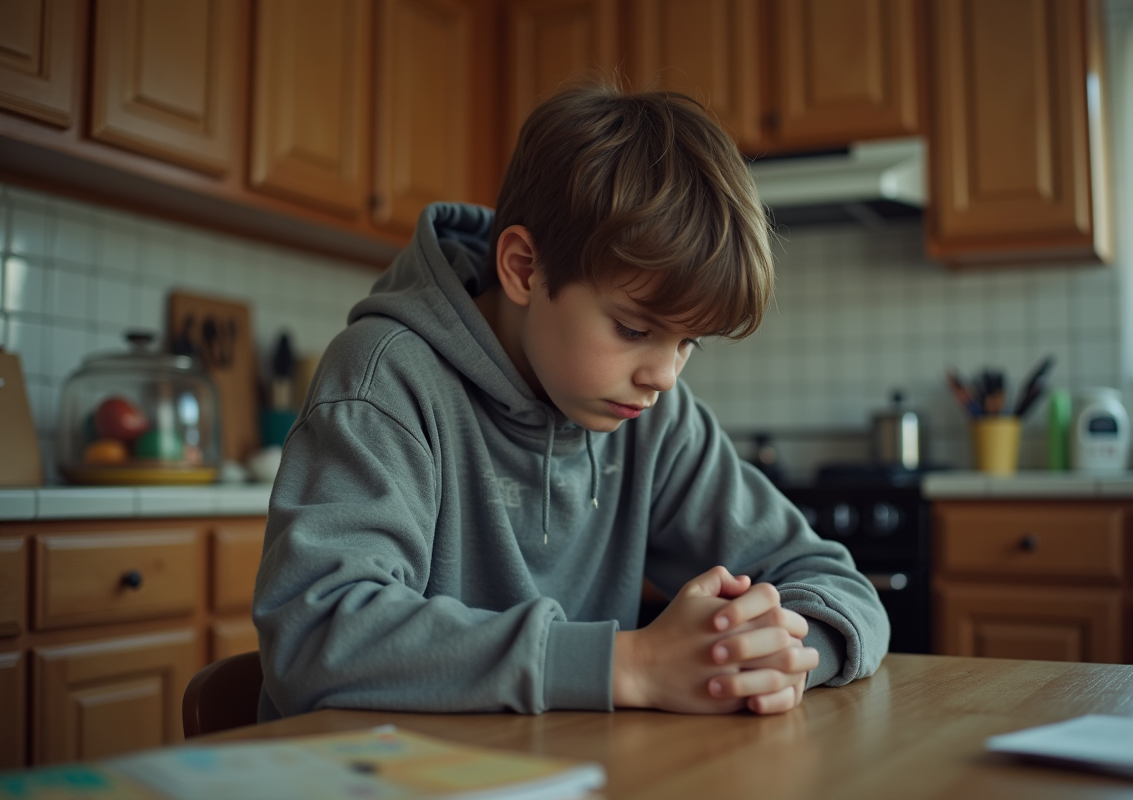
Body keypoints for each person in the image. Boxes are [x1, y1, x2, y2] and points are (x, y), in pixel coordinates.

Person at [253, 82, 889, 720]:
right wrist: (629, 666)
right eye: (634, 330)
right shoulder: (385, 378)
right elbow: (317, 634)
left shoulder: (656, 419)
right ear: (525, 269)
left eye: (689, 341)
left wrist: (784, 656)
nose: (665, 376)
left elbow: (834, 582)